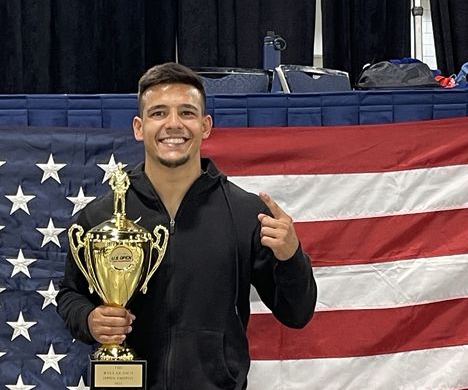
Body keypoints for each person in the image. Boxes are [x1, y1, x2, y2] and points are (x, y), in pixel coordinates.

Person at [57, 62, 317, 390]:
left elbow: (298, 313)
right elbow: (70, 295)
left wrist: (291, 257)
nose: (173, 124)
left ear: (206, 126)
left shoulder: (245, 211)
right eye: (159, 113)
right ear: (139, 127)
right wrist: (90, 319)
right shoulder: (104, 216)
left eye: (187, 113)